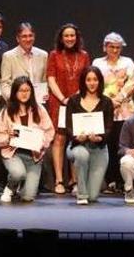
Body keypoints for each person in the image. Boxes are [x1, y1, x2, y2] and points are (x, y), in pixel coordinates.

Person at [0, 76, 55, 203]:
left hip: (34, 157)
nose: (24, 94)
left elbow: (49, 132)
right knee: (18, 173)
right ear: (15, 92)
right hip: (13, 153)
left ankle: (21, 186)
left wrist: (41, 142)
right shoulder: (7, 111)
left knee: (28, 197)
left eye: (27, 90)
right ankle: (10, 187)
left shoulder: (39, 109)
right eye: (21, 90)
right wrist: (8, 137)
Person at [46, 23, 90, 194]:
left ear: (77, 37)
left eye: (72, 35)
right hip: (59, 102)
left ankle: (75, 180)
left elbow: (88, 78)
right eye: (66, 36)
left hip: (78, 101)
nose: (70, 39)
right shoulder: (54, 55)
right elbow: (51, 79)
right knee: (59, 139)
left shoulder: (84, 55)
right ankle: (59, 180)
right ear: (61, 38)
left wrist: (75, 98)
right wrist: (63, 98)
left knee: (76, 139)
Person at [93, 32, 134, 194]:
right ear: (105, 47)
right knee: (108, 144)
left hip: (125, 109)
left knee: (123, 143)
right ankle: (109, 180)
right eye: (111, 47)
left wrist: (119, 98)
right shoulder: (98, 62)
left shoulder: (128, 62)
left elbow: (131, 82)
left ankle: (123, 180)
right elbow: (94, 82)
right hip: (104, 108)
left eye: (118, 47)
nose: (115, 50)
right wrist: (109, 102)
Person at [66, 66, 113, 204]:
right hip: (77, 146)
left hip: (99, 148)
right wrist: (76, 137)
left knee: (93, 196)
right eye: (88, 80)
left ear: (100, 82)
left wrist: (99, 138)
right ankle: (81, 195)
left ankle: (85, 190)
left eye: (95, 80)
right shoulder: (73, 101)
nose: (92, 83)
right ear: (83, 82)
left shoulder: (106, 102)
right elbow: (68, 127)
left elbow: (109, 128)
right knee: (81, 155)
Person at [0, 22, 48, 103]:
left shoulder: (43, 55)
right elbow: (5, 83)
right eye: (24, 36)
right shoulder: (8, 56)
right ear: (18, 39)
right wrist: (12, 100)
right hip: (16, 104)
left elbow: (44, 81)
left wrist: (46, 92)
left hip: (37, 103)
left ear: (34, 37)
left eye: (30, 36)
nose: (28, 39)